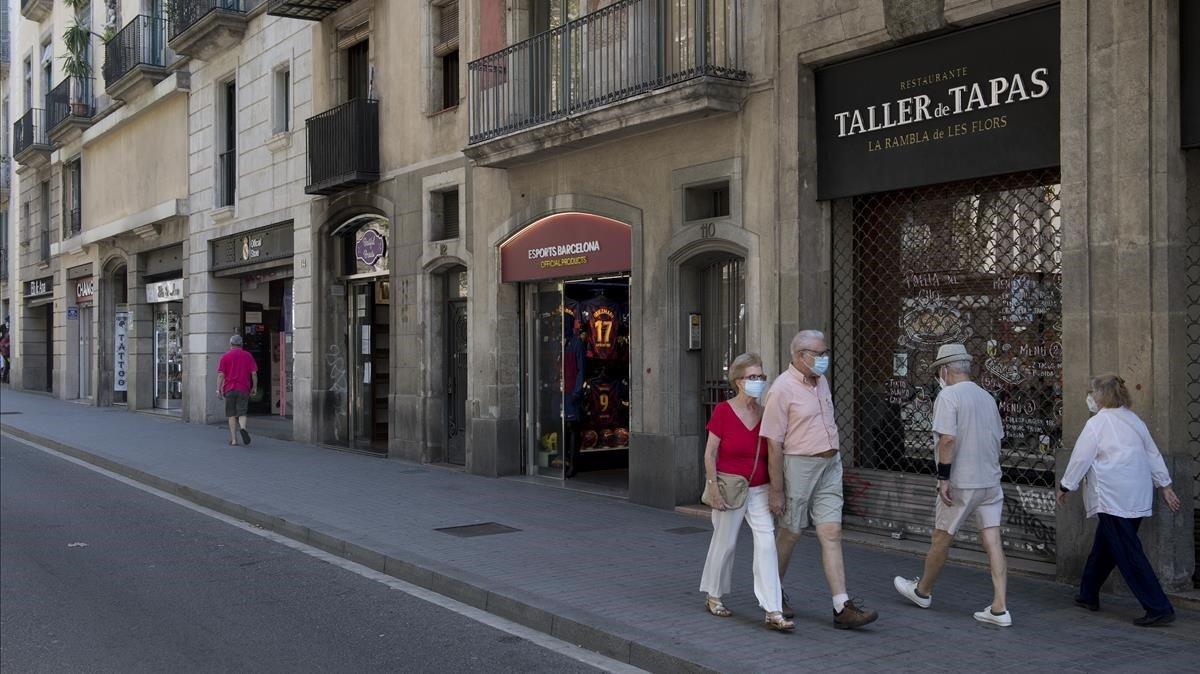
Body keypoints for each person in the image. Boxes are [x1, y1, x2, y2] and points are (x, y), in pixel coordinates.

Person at [761, 330, 878, 629]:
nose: (825, 359)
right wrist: (777, 489)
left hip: (830, 463)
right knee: (791, 532)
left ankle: (842, 606)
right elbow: (773, 442)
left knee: (832, 533)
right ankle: (772, 596)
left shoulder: (821, 380)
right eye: (820, 354)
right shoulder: (781, 389)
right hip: (799, 464)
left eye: (826, 353)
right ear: (800, 356)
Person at [892, 344, 1011, 626]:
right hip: (990, 481)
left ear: (945, 369)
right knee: (992, 540)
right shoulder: (987, 397)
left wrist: (943, 477)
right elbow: (998, 438)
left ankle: (923, 590)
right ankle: (999, 608)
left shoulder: (948, 396)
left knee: (941, 537)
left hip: (961, 480)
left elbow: (948, 439)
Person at [1057, 374, 1181, 626]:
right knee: (1105, 547)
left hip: (1112, 496)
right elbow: (1153, 453)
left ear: (1100, 395)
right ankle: (1088, 593)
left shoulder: (1097, 424)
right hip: (1137, 495)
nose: (1089, 398)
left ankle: (1158, 607)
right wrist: (1164, 485)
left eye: (1092, 392)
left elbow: (1081, 458)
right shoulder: (1134, 420)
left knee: (1127, 552)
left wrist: (1065, 486)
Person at [699, 353, 793, 631]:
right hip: (730, 488)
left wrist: (778, 490)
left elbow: (774, 453)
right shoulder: (723, 411)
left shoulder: (766, 414)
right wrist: (713, 488)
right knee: (725, 543)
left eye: (761, 377)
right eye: (752, 377)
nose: (759, 382)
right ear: (738, 381)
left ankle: (772, 609)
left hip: (760, 489)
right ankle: (713, 595)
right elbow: (710, 453)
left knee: (766, 546)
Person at [216, 334, 258, 446]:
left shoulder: (225, 356)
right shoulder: (248, 356)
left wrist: (218, 389)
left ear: (230, 344)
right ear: (241, 344)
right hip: (244, 388)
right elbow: (254, 373)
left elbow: (221, 375)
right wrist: (254, 387)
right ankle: (243, 428)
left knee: (231, 414)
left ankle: (234, 440)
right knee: (242, 412)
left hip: (229, 389)